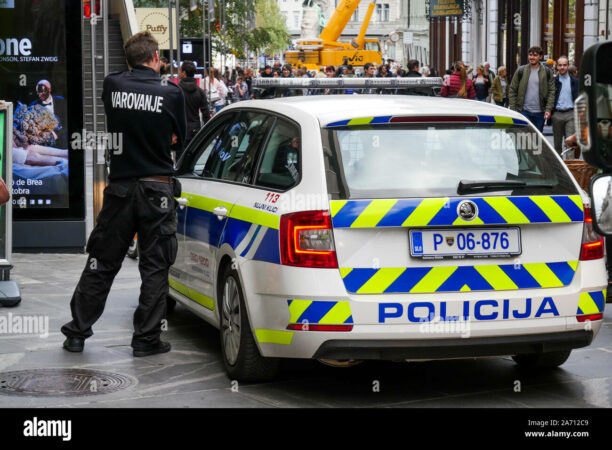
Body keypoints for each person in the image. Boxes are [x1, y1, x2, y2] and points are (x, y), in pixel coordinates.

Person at [60, 31, 187, 356]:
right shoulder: (171, 93)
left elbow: (118, 78)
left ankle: (77, 332)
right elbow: (179, 138)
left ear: (129, 60)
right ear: (156, 58)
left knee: (101, 262)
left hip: (120, 189)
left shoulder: (114, 84)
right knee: (155, 267)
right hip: (157, 189)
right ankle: (146, 339)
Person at [508, 46, 555, 132]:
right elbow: (512, 90)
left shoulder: (547, 72)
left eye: (535, 55)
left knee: (537, 140)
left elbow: (551, 92)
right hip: (523, 111)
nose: (532, 57)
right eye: (530, 55)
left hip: (540, 113)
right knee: (523, 139)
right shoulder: (521, 70)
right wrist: (513, 108)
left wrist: (548, 109)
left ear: (540, 57)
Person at [552, 55, 579, 156]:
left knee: (570, 144)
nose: (562, 67)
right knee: (557, 144)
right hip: (557, 115)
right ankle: (559, 170)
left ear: (568, 66)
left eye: (564, 65)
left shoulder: (575, 81)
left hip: (571, 114)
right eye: (560, 65)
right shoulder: (553, 81)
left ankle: (569, 168)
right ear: (557, 67)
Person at [29, 79, 68, 149]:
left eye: (41, 91)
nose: (39, 94)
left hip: (61, 141)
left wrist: (56, 134)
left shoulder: (61, 101)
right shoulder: (33, 105)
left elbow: (67, 122)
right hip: (43, 143)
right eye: (38, 92)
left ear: (49, 90)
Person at [178, 60, 208, 147]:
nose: (179, 73)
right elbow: (206, 113)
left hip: (180, 130)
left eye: (180, 71)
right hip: (195, 130)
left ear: (184, 72)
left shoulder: (177, 91)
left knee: (180, 158)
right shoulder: (200, 92)